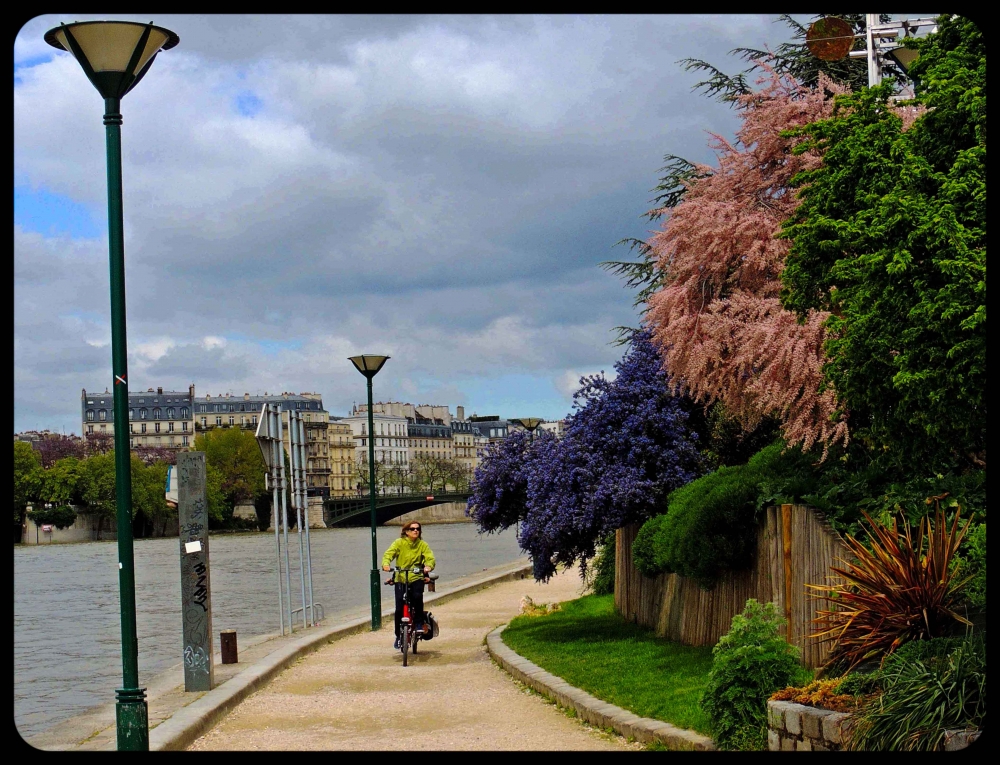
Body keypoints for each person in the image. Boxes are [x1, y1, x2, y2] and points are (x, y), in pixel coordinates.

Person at [382, 522, 435, 649]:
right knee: (399, 607)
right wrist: (386, 564)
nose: (415, 531)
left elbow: (429, 557)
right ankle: (398, 636)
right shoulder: (399, 543)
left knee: (417, 597)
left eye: (418, 529)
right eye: (412, 529)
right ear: (406, 531)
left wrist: (428, 566)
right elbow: (389, 554)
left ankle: (418, 624)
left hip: (416, 576)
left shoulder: (422, 545)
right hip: (401, 577)